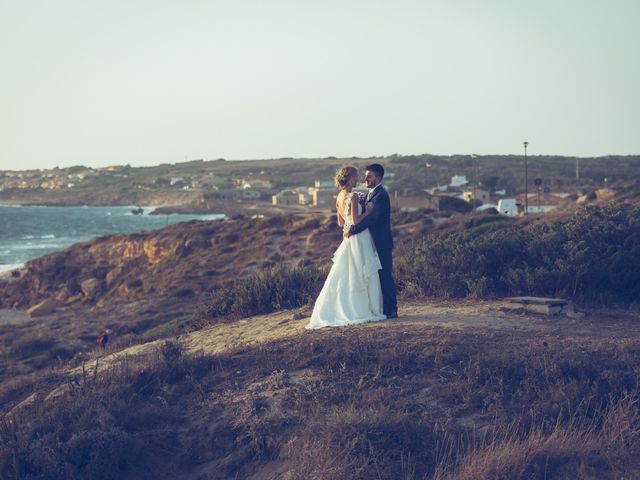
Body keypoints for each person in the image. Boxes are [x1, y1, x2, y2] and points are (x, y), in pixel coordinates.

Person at [306, 166, 386, 329]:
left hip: (348, 237)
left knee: (349, 272)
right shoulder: (353, 196)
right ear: (349, 178)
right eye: (356, 177)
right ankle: (362, 308)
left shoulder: (339, 196)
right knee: (361, 271)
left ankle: (341, 307)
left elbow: (341, 223)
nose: (359, 180)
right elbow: (357, 221)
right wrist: (368, 211)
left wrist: (348, 226)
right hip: (359, 238)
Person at [344, 163, 398, 318]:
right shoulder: (370, 194)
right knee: (374, 276)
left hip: (382, 243)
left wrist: (352, 230)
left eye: (369, 176)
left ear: (378, 178)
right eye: (365, 176)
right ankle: (379, 308)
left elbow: (372, 219)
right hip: (370, 243)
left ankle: (391, 310)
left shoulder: (381, 195)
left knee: (385, 275)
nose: (365, 179)